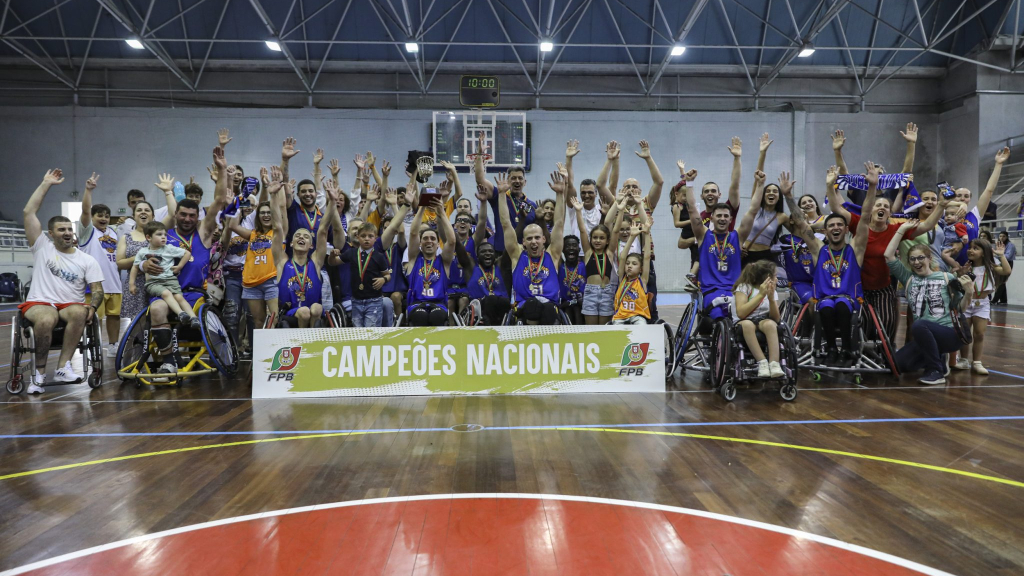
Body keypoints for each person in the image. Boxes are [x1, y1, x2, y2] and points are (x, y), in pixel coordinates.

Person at [138, 145, 231, 377]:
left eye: (192, 215)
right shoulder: (164, 236)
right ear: (175, 215)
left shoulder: (204, 234)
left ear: (198, 216)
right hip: (165, 291)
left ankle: (193, 353)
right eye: (183, 214)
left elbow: (220, 200)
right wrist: (143, 265)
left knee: (197, 315)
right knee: (157, 309)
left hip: (193, 293)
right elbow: (142, 258)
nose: (187, 218)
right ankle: (169, 361)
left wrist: (222, 170)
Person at [827, 163, 945, 340]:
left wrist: (941, 205)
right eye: (878, 205)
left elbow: (927, 225)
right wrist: (830, 185)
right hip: (859, 287)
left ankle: (885, 352)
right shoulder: (858, 223)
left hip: (883, 287)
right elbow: (836, 208)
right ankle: (863, 353)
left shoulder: (896, 228)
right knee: (862, 326)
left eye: (886, 206)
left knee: (886, 325)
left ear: (890, 213)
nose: (882, 208)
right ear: (870, 209)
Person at [19, 169, 105, 394]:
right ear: (50, 233)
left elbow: (97, 289)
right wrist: (46, 183)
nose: (67, 233)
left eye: (69, 229)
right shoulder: (41, 246)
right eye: (61, 229)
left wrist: (92, 307)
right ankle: (38, 374)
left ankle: (63, 367)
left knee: (79, 312)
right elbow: (29, 211)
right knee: (47, 317)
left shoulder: (87, 260)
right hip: (40, 302)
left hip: (69, 305)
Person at [787, 165, 873, 366]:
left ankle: (847, 350)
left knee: (842, 305)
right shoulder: (819, 250)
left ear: (846, 230)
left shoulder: (855, 249)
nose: (835, 227)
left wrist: (872, 187)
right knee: (825, 307)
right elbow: (801, 223)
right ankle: (832, 349)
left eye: (839, 225)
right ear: (825, 231)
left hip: (849, 299)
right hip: (825, 299)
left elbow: (866, 216)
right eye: (831, 225)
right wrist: (788, 196)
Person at [885, 220, 972, 385]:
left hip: (949, 334)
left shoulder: (947, 277)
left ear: (929, 258)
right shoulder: (908, 278)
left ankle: (936, 371)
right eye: (912, 259)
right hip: (924, 337)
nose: (916, 262)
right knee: (895, 364)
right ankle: (938, 358)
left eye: (920, 258)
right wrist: (901, 230)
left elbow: (959, 308)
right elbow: (888, 255)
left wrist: (969, 293)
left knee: (919, 325)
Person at [683, 168, 762, 322]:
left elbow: (753, 211)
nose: (722, 218)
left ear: (730, 219)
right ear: (712, 218)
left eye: (726, 216)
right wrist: (689, 183)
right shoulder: (703, 235)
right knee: (719, 319)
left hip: (734, 290)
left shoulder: (737, 236)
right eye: (719, 215)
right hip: (711, 290)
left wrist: (760, 185)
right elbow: (692, 209)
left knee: (742, 322)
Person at [267, 168, 340, 328]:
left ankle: (313, 338)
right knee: (305, 311)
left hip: (313, 314)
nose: (301, 237)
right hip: (290, 314)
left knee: (316, 308)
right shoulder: (282, 262)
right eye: (298, 236)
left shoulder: (316, 262)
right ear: (291, 243)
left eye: (306, 236)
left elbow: (322, 230)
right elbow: (277, 227)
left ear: (311, 245)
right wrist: (272, 196)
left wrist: (333, 202)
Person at [495, 169, 568, 325]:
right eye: (529, 238)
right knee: (532, 305)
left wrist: (560, 194)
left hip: (549, 306)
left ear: (543, 239)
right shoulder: (517, 255)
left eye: (537, 238)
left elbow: (559, 224)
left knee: (547, 309)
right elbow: (505, 224)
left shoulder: (552, 255)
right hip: (524, 306)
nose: (534, 242)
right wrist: (501, 194)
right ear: (524, 242)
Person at [78, 172, 123, 357]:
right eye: (100, 215)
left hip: (114, 283)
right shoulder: (87, 232)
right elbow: (85, 211)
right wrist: (88, 190)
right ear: (92, 217)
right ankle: (93, 346)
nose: (104, 218)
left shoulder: (113, 232)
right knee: (94, 318)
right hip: (95, 285)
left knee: (114, 316)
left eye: (107, 216)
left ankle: (113, 345)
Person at [953, 238, 1012, 374]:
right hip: (966, 302)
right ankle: (963, 360)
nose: (970, 250)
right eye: (970, 248)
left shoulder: (991, 266)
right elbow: (958, 284)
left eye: (975, 248)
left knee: (979, 334)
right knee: (965, 334)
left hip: (982, 304)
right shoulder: (967, 267)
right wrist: (961, 273)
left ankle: (977, 362)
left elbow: (1006, 271)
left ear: (984, 252)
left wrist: (1001, 255)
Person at [226, 192, 277, 343]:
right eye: (262, 213)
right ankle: (259, 353)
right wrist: (236, 204)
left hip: (271, 280)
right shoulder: (252, 234)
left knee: (274, 319)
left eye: (269, 212)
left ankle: (274, 350)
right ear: (257, 216)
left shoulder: (278, 232)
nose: (266, 215)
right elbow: (232, 225)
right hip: (251, 283)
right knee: (258, 322)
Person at [129, 221, 199, 329]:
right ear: (148, 237)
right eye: (159, 234)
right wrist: (131, 284)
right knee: (166, 293)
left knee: (179, 297)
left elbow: (187, 253)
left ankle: (194, 318)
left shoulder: (169, 248)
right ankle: (181, 314)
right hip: (153, 282)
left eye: (165, 235)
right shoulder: (143, 252)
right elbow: (135, 267)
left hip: (171, 280)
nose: (163, 237)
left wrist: (179, 266)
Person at [951, 147, 1011, 266]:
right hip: (947, 265)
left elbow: (989, 190)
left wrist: (998, 164)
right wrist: (957, 204)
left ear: (970, 199)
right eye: (959, 196)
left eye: (966, 196)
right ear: (952, 197)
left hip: (971, 265)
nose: (963, 199)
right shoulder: (944, 214)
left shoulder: (974, 215)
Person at [405, 196, 458, 326]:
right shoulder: (414, 258)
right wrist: (422, 207)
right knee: (420, 316)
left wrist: (441, 212)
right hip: (416, 304)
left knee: (437, 316)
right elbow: (413, 233)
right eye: (425, 238)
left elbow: (451, 241)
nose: (429, 241)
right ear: (420, 243)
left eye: (433, 239)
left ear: (438, 244)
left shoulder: (444, 261)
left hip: (439, 304)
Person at [731, 260, 785, 378]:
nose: (777, 279)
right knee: (748, 325)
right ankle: (762, 363)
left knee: (770, 324)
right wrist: (761, 295)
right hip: (743, 321)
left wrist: (771, 299)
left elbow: (776, 319)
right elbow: (741, 313)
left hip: (762, 320)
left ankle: (774, 364)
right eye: (775, 276)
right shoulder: (743, 287)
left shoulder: (772, 290)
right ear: (767, 277)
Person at [572, 196, 618, 325]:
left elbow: (615, 231)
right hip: (590, 293)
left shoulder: (609, 253)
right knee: (592, 330)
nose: (598, 240)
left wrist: (619, 209)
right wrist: (578, 211)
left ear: (607, 241)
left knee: (604, 329)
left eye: (601, 238)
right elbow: (582, 230)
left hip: (607, 292)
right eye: (595, 238)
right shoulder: (588, 253)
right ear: (591, 239)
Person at [339, 221, 392, 327]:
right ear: (357, 237)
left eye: (370, 236)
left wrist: (384, 279)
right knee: (358, 331)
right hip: (356, 301)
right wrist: (332, 255)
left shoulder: (379, 256)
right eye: (363, 236)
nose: (367, 239)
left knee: (370, 330)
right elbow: (332, 262)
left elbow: (388, 275)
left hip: (374, 300)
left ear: (375, 238)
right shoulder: (351, 253)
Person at [611, 220, 653, 325]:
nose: (630, 266)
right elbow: (622, 257)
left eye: (634, 264)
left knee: (641, 325)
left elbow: (647, 257)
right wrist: (632, 236)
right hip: (620, 316)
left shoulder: (642, 280)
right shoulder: (622, 278)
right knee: (615, 327)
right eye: (628, 263)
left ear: (641, 269)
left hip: (637, 316)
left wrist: (647, 233)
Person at [559, 235, 585, 325]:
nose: (571, 248)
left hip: (582, 304)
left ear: (579, 249)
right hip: (565, 304)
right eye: (567, 246)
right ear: (562, 250)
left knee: (578, 310)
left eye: (574, 245)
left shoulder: (585, 265)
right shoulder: (559, 266)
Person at [992, 230, 1015, 304]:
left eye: (1004, 236)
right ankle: (1004, 300)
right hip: (999, 262)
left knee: (1001, 282)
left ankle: (994, 300)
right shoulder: (998, 244)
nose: (1002, 238)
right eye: (1000, 236)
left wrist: (996, 255)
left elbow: (1008, 256)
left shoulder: (1010, 245)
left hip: (1008, 263)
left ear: (1007, 237)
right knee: (1002, 281)